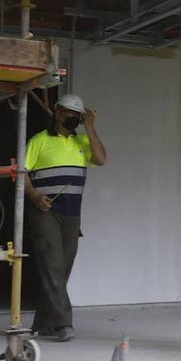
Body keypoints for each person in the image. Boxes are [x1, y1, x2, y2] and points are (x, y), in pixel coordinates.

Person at [24, 92, 107, 342]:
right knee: (53, 268)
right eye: (68, 113)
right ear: (58, 113)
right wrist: (35, 196)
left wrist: (90, 128)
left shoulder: (82, 141)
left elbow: (101, 159)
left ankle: (43, 323)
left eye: (76, 115)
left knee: (61, 270)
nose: (71, 118)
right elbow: (21, 173)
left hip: (73, 215)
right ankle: (63, 324)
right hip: (46, 212)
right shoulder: (39, 141)